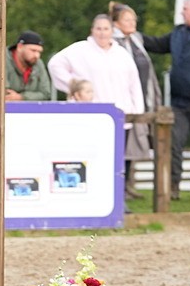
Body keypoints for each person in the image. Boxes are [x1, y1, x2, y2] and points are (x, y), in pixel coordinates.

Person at [141, 0, 190, 200]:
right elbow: (158, 44)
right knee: (173, 144)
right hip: (179, 101)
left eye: (185, 9)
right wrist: (134, 35)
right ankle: (172, 186)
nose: (182, 12)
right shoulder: (178, 33)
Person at [48, 15, 144, 173]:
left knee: (117, 162)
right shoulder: (80, 49)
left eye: (106, 29)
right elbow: (55, 64)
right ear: (92, 30)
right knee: (93, 159)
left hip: (121, 116)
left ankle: (118, 195)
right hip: (91, 115)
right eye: (98, 28)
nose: (102, 33)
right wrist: (74, 86)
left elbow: (134, 83)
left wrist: (137, 112)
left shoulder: (121, 54)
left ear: (112, 31)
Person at [111, 2, 160, 199]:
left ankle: (128, 184)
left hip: (140, 96)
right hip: (121, 98)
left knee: (133, 144)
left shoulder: (137, 40)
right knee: (120, 144)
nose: (132, 23)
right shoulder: (113, 42)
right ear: (116, 23)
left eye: (134, 19)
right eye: (127, 19)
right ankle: (119, 185)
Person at [4, 30, 53, 101]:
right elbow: (2, 93)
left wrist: (21, 97)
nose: (37, 55)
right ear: (20, 47)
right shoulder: (2, 60)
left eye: (39, 52)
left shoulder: (38, 63)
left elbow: (46, 94)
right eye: (33, 50)